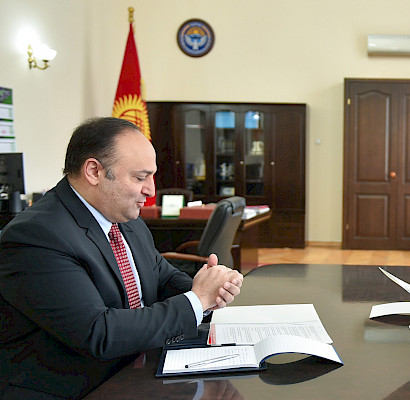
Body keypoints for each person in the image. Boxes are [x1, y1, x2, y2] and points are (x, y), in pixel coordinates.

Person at [0, 117, 245, 399]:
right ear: (94, 171)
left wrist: (211, 289)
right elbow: (98, 333)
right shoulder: (37, 235)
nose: (151, 191)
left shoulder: (123, 218)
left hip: (134, 366)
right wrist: (196, 301)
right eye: (140, 178)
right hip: (77, 387)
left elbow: (160, 276)